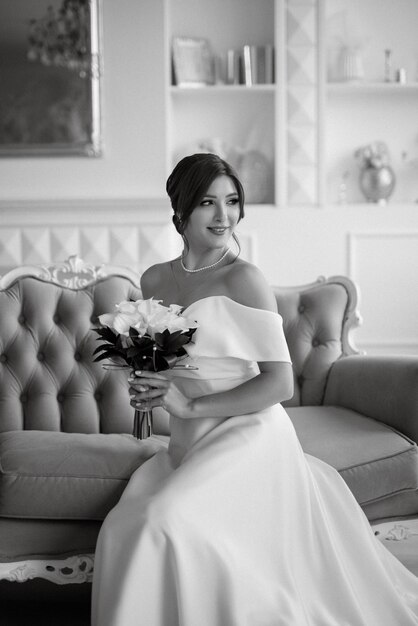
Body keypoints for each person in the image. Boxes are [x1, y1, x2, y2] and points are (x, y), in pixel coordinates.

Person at [92, 153, 418, 626]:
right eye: (207, 203)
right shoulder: (154, 279)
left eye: (232, 201)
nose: (224, 216)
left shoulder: (245, 279)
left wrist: (190, 402)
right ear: (180, 210)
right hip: (188, 441)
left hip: (250, 434)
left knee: (167, 520)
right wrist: (150, 386)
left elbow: (280, 383)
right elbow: (169, 362)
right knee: (125, 526)